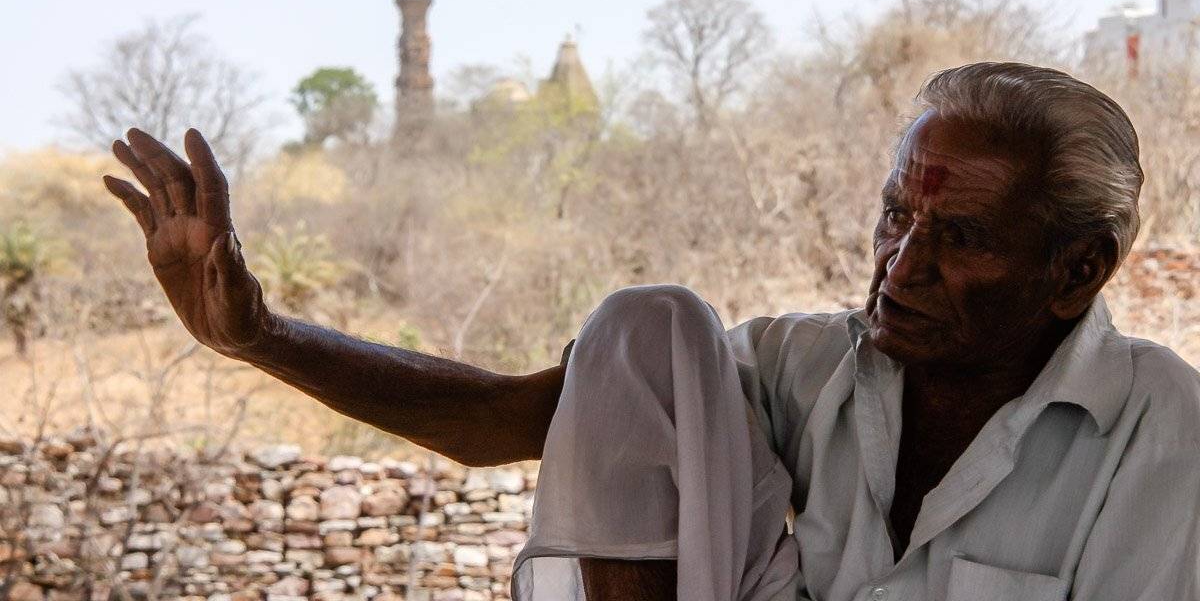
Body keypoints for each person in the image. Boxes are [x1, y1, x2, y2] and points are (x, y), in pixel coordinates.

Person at [102, 62, 1200, 601]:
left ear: (1077, 272)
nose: (900, 266)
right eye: (893, 217)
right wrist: (261, 336)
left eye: (958, 237)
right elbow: (507, 419)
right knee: (645, 325)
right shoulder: (804, 365)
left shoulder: (1161, 435)